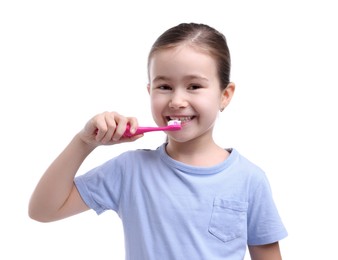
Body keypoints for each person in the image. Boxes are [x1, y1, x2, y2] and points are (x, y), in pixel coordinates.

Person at [28, 23, 288, 260]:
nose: (176, 100)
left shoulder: (249, 179)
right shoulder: (130, 170)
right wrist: (84, 142)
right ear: (150, 90)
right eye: (164, 87)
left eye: (194, 86)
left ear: (225, 95)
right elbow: (42, 210)